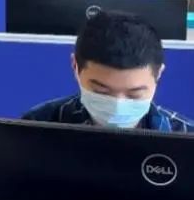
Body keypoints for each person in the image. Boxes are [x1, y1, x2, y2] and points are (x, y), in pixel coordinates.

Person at [23, 12, 191, 131]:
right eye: (101, 92)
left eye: (134, 95)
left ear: (158, 74)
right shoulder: (35, 126)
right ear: (75, 67)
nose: (117, 107)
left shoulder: (186, 137)